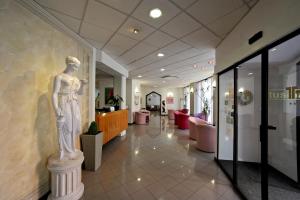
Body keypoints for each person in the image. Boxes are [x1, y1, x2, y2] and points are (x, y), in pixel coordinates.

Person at [52, 56, 87, 160]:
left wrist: (83, 85)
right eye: (75, 66)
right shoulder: (60, 77)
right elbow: (54, 93)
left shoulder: (76, 79)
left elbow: (80, 93)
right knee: (67, 126)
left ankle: (71, 148)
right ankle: (66, 151)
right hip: (65, 103)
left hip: (74, 104)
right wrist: (56, 109)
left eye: (77, 67)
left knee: (74, 125)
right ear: (70, 64)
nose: (76, 69)